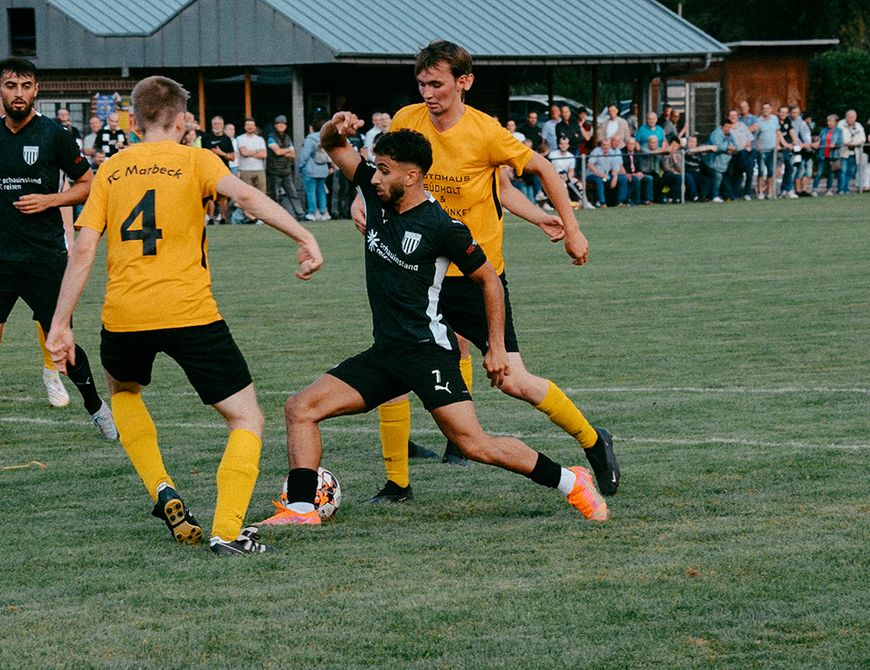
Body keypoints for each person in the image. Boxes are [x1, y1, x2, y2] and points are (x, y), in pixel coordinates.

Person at [258, 116, 607, 527]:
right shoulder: (375, 194)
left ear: (412, 175)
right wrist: (337, 125)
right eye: (376, 167)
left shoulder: (443, 227)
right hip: (387, 352)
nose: (375, 177)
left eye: (385, 170)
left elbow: (490, 281)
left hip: (428, 353)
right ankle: (301, 510)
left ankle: (572, 481)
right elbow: (334, 145)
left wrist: (495, 345)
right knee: (300, 408)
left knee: (473, 443)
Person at [46, 75, 323, 556]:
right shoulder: (197, 159)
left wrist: (60, 323)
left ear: (132, 122)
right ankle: (229, 531)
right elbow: (248, 198)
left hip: (125, 312)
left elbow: (84, 248)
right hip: (190, 310)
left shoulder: (110, 168)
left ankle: (162, 490)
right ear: (183, 121)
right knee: (245, 419)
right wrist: (304, 236)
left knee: (124, 392)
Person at [355, 40, 617, 503]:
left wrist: (569, 228)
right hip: (417, 273)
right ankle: (397, 483)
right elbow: (385, 172)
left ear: (464, 82)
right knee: (393, 366)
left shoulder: (486, 132)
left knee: (514, 379)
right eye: (421, 83)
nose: (428, 92)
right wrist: (363, 200)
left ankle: (593, 440)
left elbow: (537, 173)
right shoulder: (406, 119)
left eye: (436, 84)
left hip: (476, 278)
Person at [0, 57, 117, 438]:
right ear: (0, 90)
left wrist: (50, 200)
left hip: (44, 257)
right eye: (11, 86)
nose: (19, 94)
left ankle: (96, 406)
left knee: (61, 343)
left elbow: (89, 183)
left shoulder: (53, 134)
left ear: (37, 90)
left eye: (26, 86)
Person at [266, 115, 305, 219]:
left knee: (293, 194)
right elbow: (277, 152)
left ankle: (300, 214)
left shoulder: (287, 137)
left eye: (283, 123)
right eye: (279, 123)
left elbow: (293, 155)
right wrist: (286, 150)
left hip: (286, 171)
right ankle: (275, 216)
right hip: (274, 171)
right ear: (275, 125)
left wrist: (282, 151)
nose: (281, 125)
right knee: (275, 195)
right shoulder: (271, 137)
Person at [201, 115, 235, 224]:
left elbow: (232, 157)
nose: (217, 126)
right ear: (212, 125)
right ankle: (211, 218)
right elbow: (202, 155)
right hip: (209, 170)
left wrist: (221, 153)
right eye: (215, 124)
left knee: (223, 196)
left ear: (222, 125)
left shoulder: (227, 139)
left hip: (223, 170)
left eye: (219, 124)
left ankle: (223, 218)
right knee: (210, 196)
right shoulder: (206, 138)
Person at [298, 119, 332, 221]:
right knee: (321, 191)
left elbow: (305, 155)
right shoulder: (326, 138)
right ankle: (323, 212)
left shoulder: (310, 139)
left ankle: (313, 212)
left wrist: (300, 166)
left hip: (310, 169)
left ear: (312, 128)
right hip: (323, 169)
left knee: (311, 191)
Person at [236, 118, 268, 222]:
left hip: (259, 169)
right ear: (245, 127)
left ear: (255, 127)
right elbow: (243, 153)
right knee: (248, 196)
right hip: (245, 169)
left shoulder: (260, 139)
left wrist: (250, 152)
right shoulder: (240, 138)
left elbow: (264, 154)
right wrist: (257, 152)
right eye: (248, 125)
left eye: (252, 125)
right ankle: (251, 218)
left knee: (261, 195)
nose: (250, 127)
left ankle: (261, 217)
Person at [705, 118, 738, 203]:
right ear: (722, 126)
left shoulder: (730, 135)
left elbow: (735, 145)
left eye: (729, 127)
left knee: (723, 179)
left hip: (724, 163)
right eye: (726, 127)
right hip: (713, 162)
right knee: (717, 178)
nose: (727, 129)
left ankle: (724, 195)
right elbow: (717, 146)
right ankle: (714, 196)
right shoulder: (716, 133)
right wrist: (728, 148)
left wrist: (733, 148)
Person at [811, 114, 843, 196]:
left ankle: (829, 189)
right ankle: (814, 189)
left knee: (831, 173)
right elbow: (820, 139)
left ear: (836, 122)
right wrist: (817, 142)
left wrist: (835, 144)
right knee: (819, 172)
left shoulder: (839, 131)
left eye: (831, 121)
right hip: (823, 154)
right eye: (828, 121)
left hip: (833, 155)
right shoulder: (824, 130)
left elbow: (840, 142)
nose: (829, 123)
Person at [837, 110, 866, 194]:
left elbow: (862, 139)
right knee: (843, 171)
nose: (851, 119)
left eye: (853, 117)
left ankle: (846, 188)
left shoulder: (859, 126)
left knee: (851, 171)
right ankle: (841, 189)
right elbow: (839, 137)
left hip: (855, 152)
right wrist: (847, 143)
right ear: (846, 117)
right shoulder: (841, 124)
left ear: (855, 117)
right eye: (849, 117)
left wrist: (853, 143)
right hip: (844, 151)